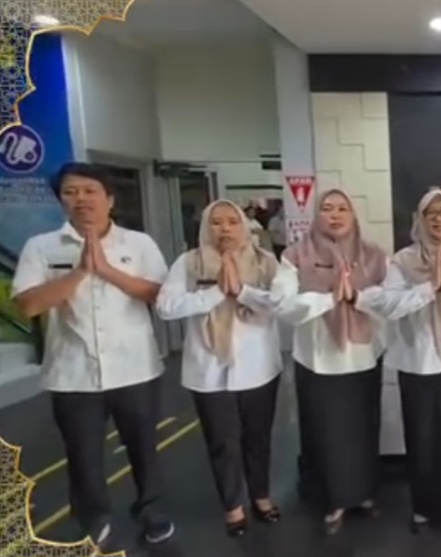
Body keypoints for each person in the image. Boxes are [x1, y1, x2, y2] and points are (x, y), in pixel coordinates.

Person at [11, 163, 175, 550]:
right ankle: (93, 517)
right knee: (82, 453)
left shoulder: (138, 244)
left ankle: (152, 511)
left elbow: (160, 295)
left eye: (90, 191)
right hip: (72, 372)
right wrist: (81, 271)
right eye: (70, 192)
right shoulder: (41, 247)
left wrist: (107, 270)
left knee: (143, 447)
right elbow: (29, 304)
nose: (81, 199)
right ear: (61, 201)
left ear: (109, 199)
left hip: (134, 367)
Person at [154, 199, 283, 537]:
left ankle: (261, 496)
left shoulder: (265, 261)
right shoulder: (189, 262)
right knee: (223, 443)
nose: (225, 228)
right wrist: (214, 294)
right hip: (209, 370)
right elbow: (166, 306)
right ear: (205, 227)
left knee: (258, 438)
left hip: (259, 367)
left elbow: (280, 303)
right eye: (216, 222)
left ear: (244, 226)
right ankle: (233, 506)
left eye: (232, 221)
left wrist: (242, 292)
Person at [363, 189, 441, 532]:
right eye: (431, 213)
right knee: (423, 438)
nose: (438, 219)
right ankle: (425, 507)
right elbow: (390, 305)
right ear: (419, 219)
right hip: (418, 362)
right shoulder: (403, 260)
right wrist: (430, 287)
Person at [271, 189, 387, 535]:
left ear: (353, 215)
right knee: (326, 433)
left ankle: (362, 494)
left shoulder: (373, 254)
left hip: (363, 356)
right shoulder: (295, 255)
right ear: (316, 216)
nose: (335, 214)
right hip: (318, 361)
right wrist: (328, 299)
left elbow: (387, 298)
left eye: (342, 208)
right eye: (327, 208)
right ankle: (333, 499)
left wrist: (358, 297)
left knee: (362, 430)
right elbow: (283, 305)